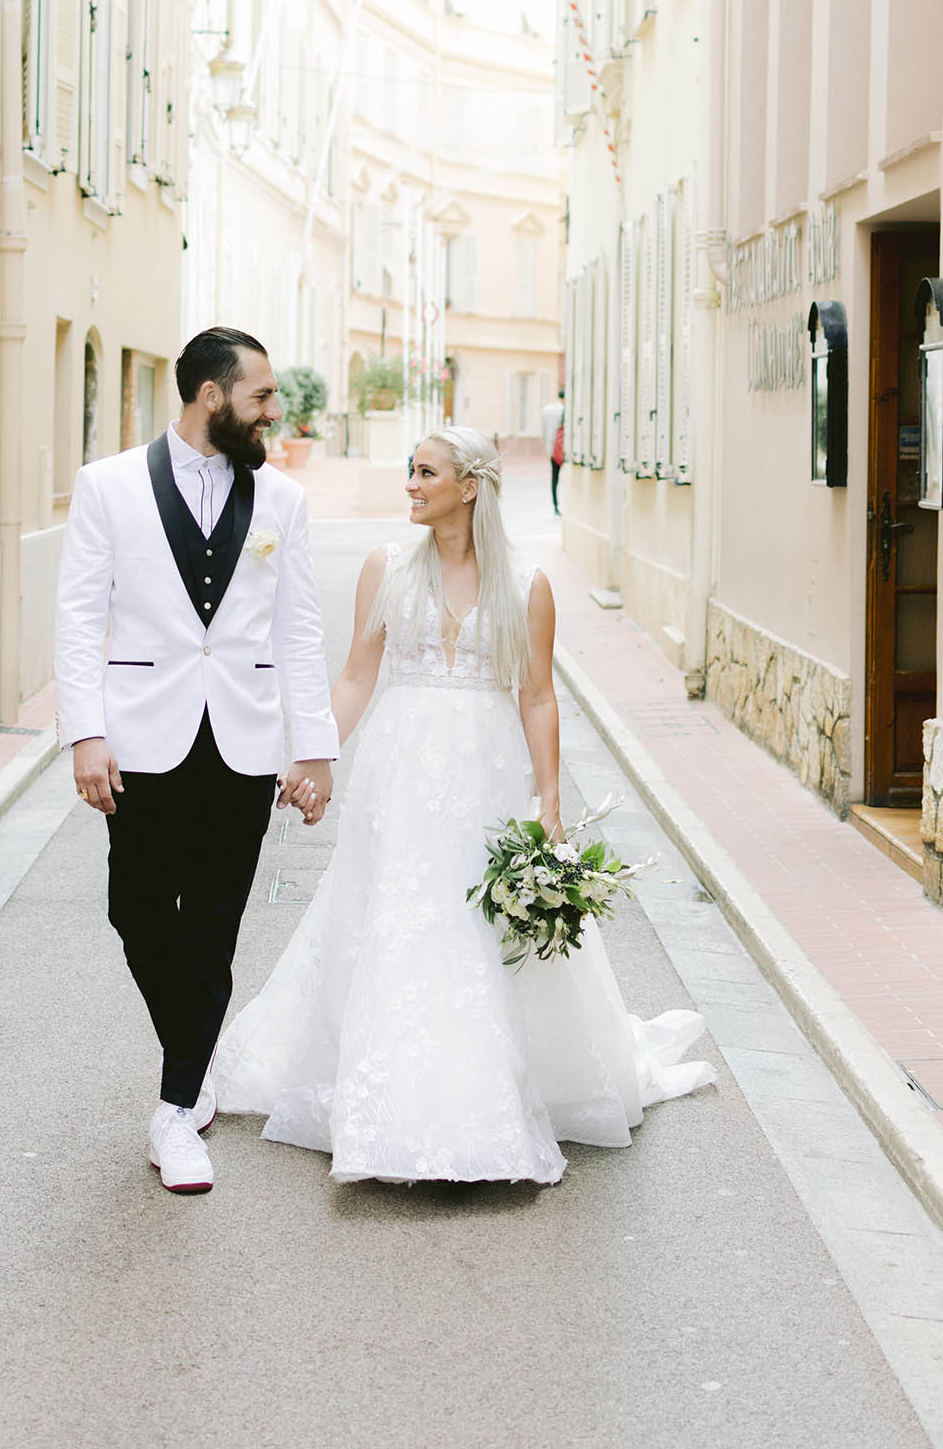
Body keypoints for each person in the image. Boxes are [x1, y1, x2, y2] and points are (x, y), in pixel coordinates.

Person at [215, 426, 713, 1185]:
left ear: (470, 486)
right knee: (394, 916)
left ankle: (488, 1092)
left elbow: (538, 695)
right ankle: (390, 1099)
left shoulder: (528, 585)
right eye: (409, 471)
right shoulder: (386, 567)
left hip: (485, 776)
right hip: (397, 773)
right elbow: (355, 675)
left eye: (425, 473)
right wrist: (315, 755)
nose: (410, 485)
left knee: (477, 925)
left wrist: (549, 803)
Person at [54, 327, 339, 1196]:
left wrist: (315, 747)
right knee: (136, 913)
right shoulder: (107, 487)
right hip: (140, 737)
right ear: (211, 396)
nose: (272, 410)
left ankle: (177, 1109)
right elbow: (77, 617)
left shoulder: (282, 500)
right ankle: (195, 1044)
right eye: (259, 396)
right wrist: (85, 732)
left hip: (242, 742)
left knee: (213, 924)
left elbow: (298, 629)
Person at [542, 385, 565, 515]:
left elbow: (544, 431)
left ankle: (555, 505)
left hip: (552, 448)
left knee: (554, 478)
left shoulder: (546, 410)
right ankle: (561, 504)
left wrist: (547, 447)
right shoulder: (565, 409)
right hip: (562, 448)